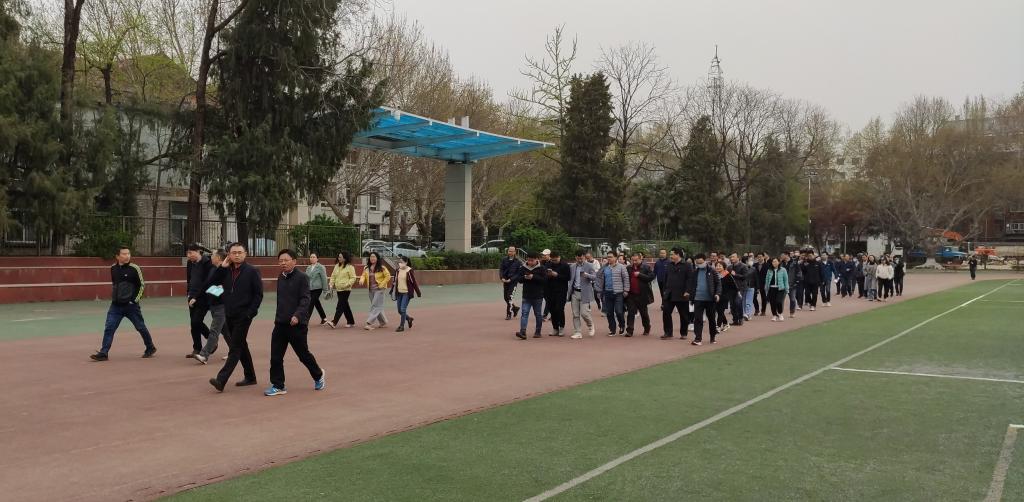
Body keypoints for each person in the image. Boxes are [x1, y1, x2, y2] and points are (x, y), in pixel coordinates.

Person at [264, 249, 326, 397]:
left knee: (303, 355)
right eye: (280, 261)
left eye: (286, 260)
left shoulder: (302, 277)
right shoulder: (281, 277)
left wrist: (297, 315)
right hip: (280, 324)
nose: (283, 263)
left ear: (294, 261)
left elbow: (305, 299)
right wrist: (278, 317)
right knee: (275, 356)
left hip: (297, 325)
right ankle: (278, 385)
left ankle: (318, 375)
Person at [208, 242, 263, 392]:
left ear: (245, 254)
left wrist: (250, 313)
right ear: (229, 255)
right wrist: (222, 268)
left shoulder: (252, 271)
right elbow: (211, 285)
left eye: (240, 252)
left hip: (244, 315)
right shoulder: (225, 270)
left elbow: (258, 295)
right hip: (229, 314)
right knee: (241, 344)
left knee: (235, 347)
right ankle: (250, 376)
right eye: (234, 253)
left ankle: (221, 380)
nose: (237, 255)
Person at [90, 246, 158, 361]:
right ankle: (104, 353)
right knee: (109, 327)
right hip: (116, 306)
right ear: (117, 256)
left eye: (128, 254)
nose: (127, 256)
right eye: (124, 254)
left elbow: (141, 285)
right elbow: (115, 284)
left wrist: (134, 300)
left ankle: (150, 347)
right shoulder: (113, 268)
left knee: (140, 327)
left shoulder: (135, 268)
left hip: (131, 306)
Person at [194, 250, 227, 365]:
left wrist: (212, 290)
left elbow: (224, 288)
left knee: (214, 330)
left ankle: (204, 355)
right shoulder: (214, 269)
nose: (211, 257)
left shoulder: (226, 271)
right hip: (214, 305)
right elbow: (208, 284)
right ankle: (236, 350)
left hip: (221, 305)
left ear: (219, 258)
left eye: (213, 255)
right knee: (225, 330)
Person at [185, 243, 213, 358]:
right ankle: (197, 348)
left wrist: (196, 297)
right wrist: (189, 293)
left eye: (190, 253)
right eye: (187, 253)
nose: (188, 256)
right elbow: (189, 279)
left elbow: (207, 283)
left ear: (198, 252)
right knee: (193, 324)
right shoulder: (190, 263)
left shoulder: (207, 263)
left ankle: (211, 340)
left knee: (196, 321)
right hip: (191, 297)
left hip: (203, 297)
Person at [687, 253, 721, 345]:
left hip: (710, 299)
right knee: (698, 319)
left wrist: (717, 294)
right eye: (697, 263)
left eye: (701, 262)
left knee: (712, 319)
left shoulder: (712, 270)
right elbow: (691, 284)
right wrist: (690, 294)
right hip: (698, 299)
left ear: (705, 261)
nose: (699, 264)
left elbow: (718, 283)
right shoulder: (695, 272)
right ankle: (698, 339)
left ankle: (712, 337)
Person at [514, 253, 548, 340]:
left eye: (532, 260)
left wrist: (533, 277)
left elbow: (545, 280)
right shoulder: (523, 268)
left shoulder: (542, 268)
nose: (530, 262)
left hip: (538, 296)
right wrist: (525, 277)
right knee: (524, 313)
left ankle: (538, 332)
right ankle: (523, 332)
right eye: (528, 260)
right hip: (526, 295)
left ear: (537, 259)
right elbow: (519, 279)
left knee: (538, 314)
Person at [595, 251, 630, 336]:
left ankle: (622, 325)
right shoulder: (605, 268)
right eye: (608, 257)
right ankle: (612, 329)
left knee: (619, 311)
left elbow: (626, 279)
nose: (609, 258)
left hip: (618, 293)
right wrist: (599, 291)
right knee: (609, 312)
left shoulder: (621, 267)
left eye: (611, 257)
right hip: (607, 292)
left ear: (615, 258)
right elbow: (599, 278)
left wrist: (626, 290)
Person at [660, 248, 692, 340]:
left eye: (672, 254)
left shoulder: (687, 265)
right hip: (669, 293)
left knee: (684, 315)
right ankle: (668, 332)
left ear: (678, 255)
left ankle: (683, 333)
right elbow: (665, 278)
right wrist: (665, 290)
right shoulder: (669, 265)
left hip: (682, 294)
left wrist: (688, 291)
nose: (670, 256)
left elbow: (690, 279)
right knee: (666, 312)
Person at [358, 251, 391, 330]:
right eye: (371, 257)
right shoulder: (366, 268)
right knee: (378, 306)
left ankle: (369, 323)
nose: (372, 258)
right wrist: (361, 280)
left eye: (374, 257)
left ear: (377, 258)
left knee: (375, 306)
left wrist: (382, 284)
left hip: (380, 289)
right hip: (371, 290)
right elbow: (363, 275)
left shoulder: (382, 267)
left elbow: (388, 276)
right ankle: (383, 322)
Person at [567, 250, 597, 339]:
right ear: (576, 257)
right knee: (575, 314)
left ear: (584, 257)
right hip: (575, 292)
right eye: (578, 258)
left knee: (584, 313)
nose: (580, 260)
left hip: (585, 292)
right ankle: (577, 332)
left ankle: (590, 325)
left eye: (581, 258)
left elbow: (595, 277)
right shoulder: (572, 266)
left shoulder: (589, 266)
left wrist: (587, 275)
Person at [389, 255, 422, 332]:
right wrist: (391, 290)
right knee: (399, 311)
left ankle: (401, 326)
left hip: (406, 293)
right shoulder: (397, 270)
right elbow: (395, 281)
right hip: (399, 292)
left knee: (403, 309)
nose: (400, 263)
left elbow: (414, 282)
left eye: (402, 262)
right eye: (399, 262)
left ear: (406, 262)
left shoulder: (409, 271)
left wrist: (418, 292)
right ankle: (409, 319)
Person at [625, 253, 655, 337]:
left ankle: (647, 327)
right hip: (631, 294)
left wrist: (640, 275)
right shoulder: (628, 268)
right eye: (632, 260)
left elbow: (651, 277)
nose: (634, 262)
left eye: (636, 260)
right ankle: (630, 330)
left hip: (642, 295)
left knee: (644, 313)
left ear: (640, 259)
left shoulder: (646, 267)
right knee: (630, 313)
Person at [326, 251, 356, 328]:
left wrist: (347, 284)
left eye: (340, 257)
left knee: (340, 306)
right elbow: (333, 276)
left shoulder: (350, 267)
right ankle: (351, 321)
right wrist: (331, 284)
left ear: (345, 258)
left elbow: (353, 278)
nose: (338, 258)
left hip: (346, 290)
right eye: (338, 257)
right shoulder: (336, 266)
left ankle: (334, 322)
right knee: (345, 306)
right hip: (338, 289)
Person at [543, 251, 570, 336]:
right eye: (553, 260)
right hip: (549, 290)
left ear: (559, 257)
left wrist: (557, 275)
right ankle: (555, 328)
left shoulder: (565, 265)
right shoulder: (548, 265)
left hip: (561, 291)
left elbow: (568, 278)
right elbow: (544, 276)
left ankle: (561, 327)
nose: (554, 262)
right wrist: (548, 275)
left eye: (556, 260)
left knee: (559, 309)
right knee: (552, 309)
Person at [306, 253, 329, 325]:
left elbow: (324, 279)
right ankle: (324, 318)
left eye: (314, 257)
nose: (312, 258)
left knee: (311, 303)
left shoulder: (321, 267)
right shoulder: (308, 268)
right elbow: (306, 279)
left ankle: (305, 320)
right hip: (310, 288)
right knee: (316, 303)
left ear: (317, 259)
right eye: (311, 257)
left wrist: (325, 290)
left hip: (318, 288)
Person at [764, 257, 789, 322]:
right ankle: (774, 315)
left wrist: (787, 289)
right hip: (771, 288)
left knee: (779, 301)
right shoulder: (769, 270)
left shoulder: (783, 270)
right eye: (773, 262)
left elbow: (786, 280)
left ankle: (780, 314)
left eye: (775, 261)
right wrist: (766, 288)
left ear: (779, 262)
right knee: (772, 303)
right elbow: (767, 279)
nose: (774, 263)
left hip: (780, 288)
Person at [500, 246, 522, 320]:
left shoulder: (518, 261)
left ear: (515, 252)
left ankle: (509, 314)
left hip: (513, 282)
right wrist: (502, 277)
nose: (511, 252)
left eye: (512, 251)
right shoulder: (504, 260)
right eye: (509, 251)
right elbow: (501, 270)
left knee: (509, 297)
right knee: (505, 298)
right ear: (508, 251)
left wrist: (511, 279)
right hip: (505, 281)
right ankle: (515, 308)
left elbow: (518, 273)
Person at [728, 253, 749, 325]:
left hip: (741, 288)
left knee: (738, 302)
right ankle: (735, 320)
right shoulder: (729, 267)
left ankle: (740, 318)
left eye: (733, 257)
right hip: (731, 288)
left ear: (738, 258)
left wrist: (735, 274)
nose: (732, 258)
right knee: (732, 304)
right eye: (731, 257)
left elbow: (745, 276)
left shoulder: (743, 266)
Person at [715, 262, 735, 334]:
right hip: (716, 296)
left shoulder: (727, 275)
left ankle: (718, 327)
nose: (718, 267)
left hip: (724, 296)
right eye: (717, 266)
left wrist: (731, 294)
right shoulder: (715, 275)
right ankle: (726, 323)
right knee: (719, 311)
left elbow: (733, 285)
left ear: (724, 267)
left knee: (720, 311)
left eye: (720, 266)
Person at [783, 253, 802, 317]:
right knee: (781, 300)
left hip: (792, 284)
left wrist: (797, 281)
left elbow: (799, 272)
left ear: (787, 255)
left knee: (792, 299)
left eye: (783, 255)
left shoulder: (794, 263)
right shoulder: (781, 263)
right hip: (783, 284)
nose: (782, 256)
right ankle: (780, 312)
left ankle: (792, 312)